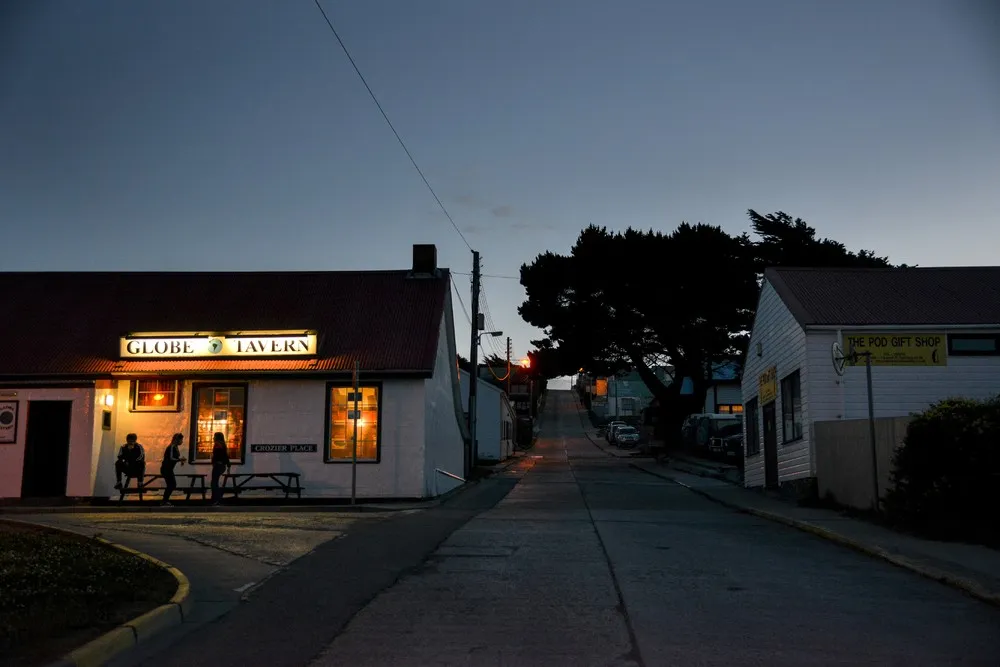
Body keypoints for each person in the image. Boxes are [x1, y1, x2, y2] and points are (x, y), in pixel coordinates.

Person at [160, 433, 185, 506]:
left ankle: (165, 501)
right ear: (176, 439)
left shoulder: (175, 447)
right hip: (166, 469)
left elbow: (175, 458)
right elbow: (171, 458)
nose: (182, 441)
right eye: (181, 440)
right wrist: (180, 460)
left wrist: (180, 460)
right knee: (172, 485)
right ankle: (164, 501)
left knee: (171, 485)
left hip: (169, 469)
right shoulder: (171, 447)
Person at [210, 431, 231, 505]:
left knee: (214, 483)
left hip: (218, 465)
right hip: (222, 466)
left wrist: (213, 461)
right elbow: (225, 456)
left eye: (214, 436)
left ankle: (216, 499)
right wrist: (228, 465)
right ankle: (216, 499)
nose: (213, 438)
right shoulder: (223, 445)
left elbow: (217, 455)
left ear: (217, 438)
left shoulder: (217, 445)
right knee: (215, 482)